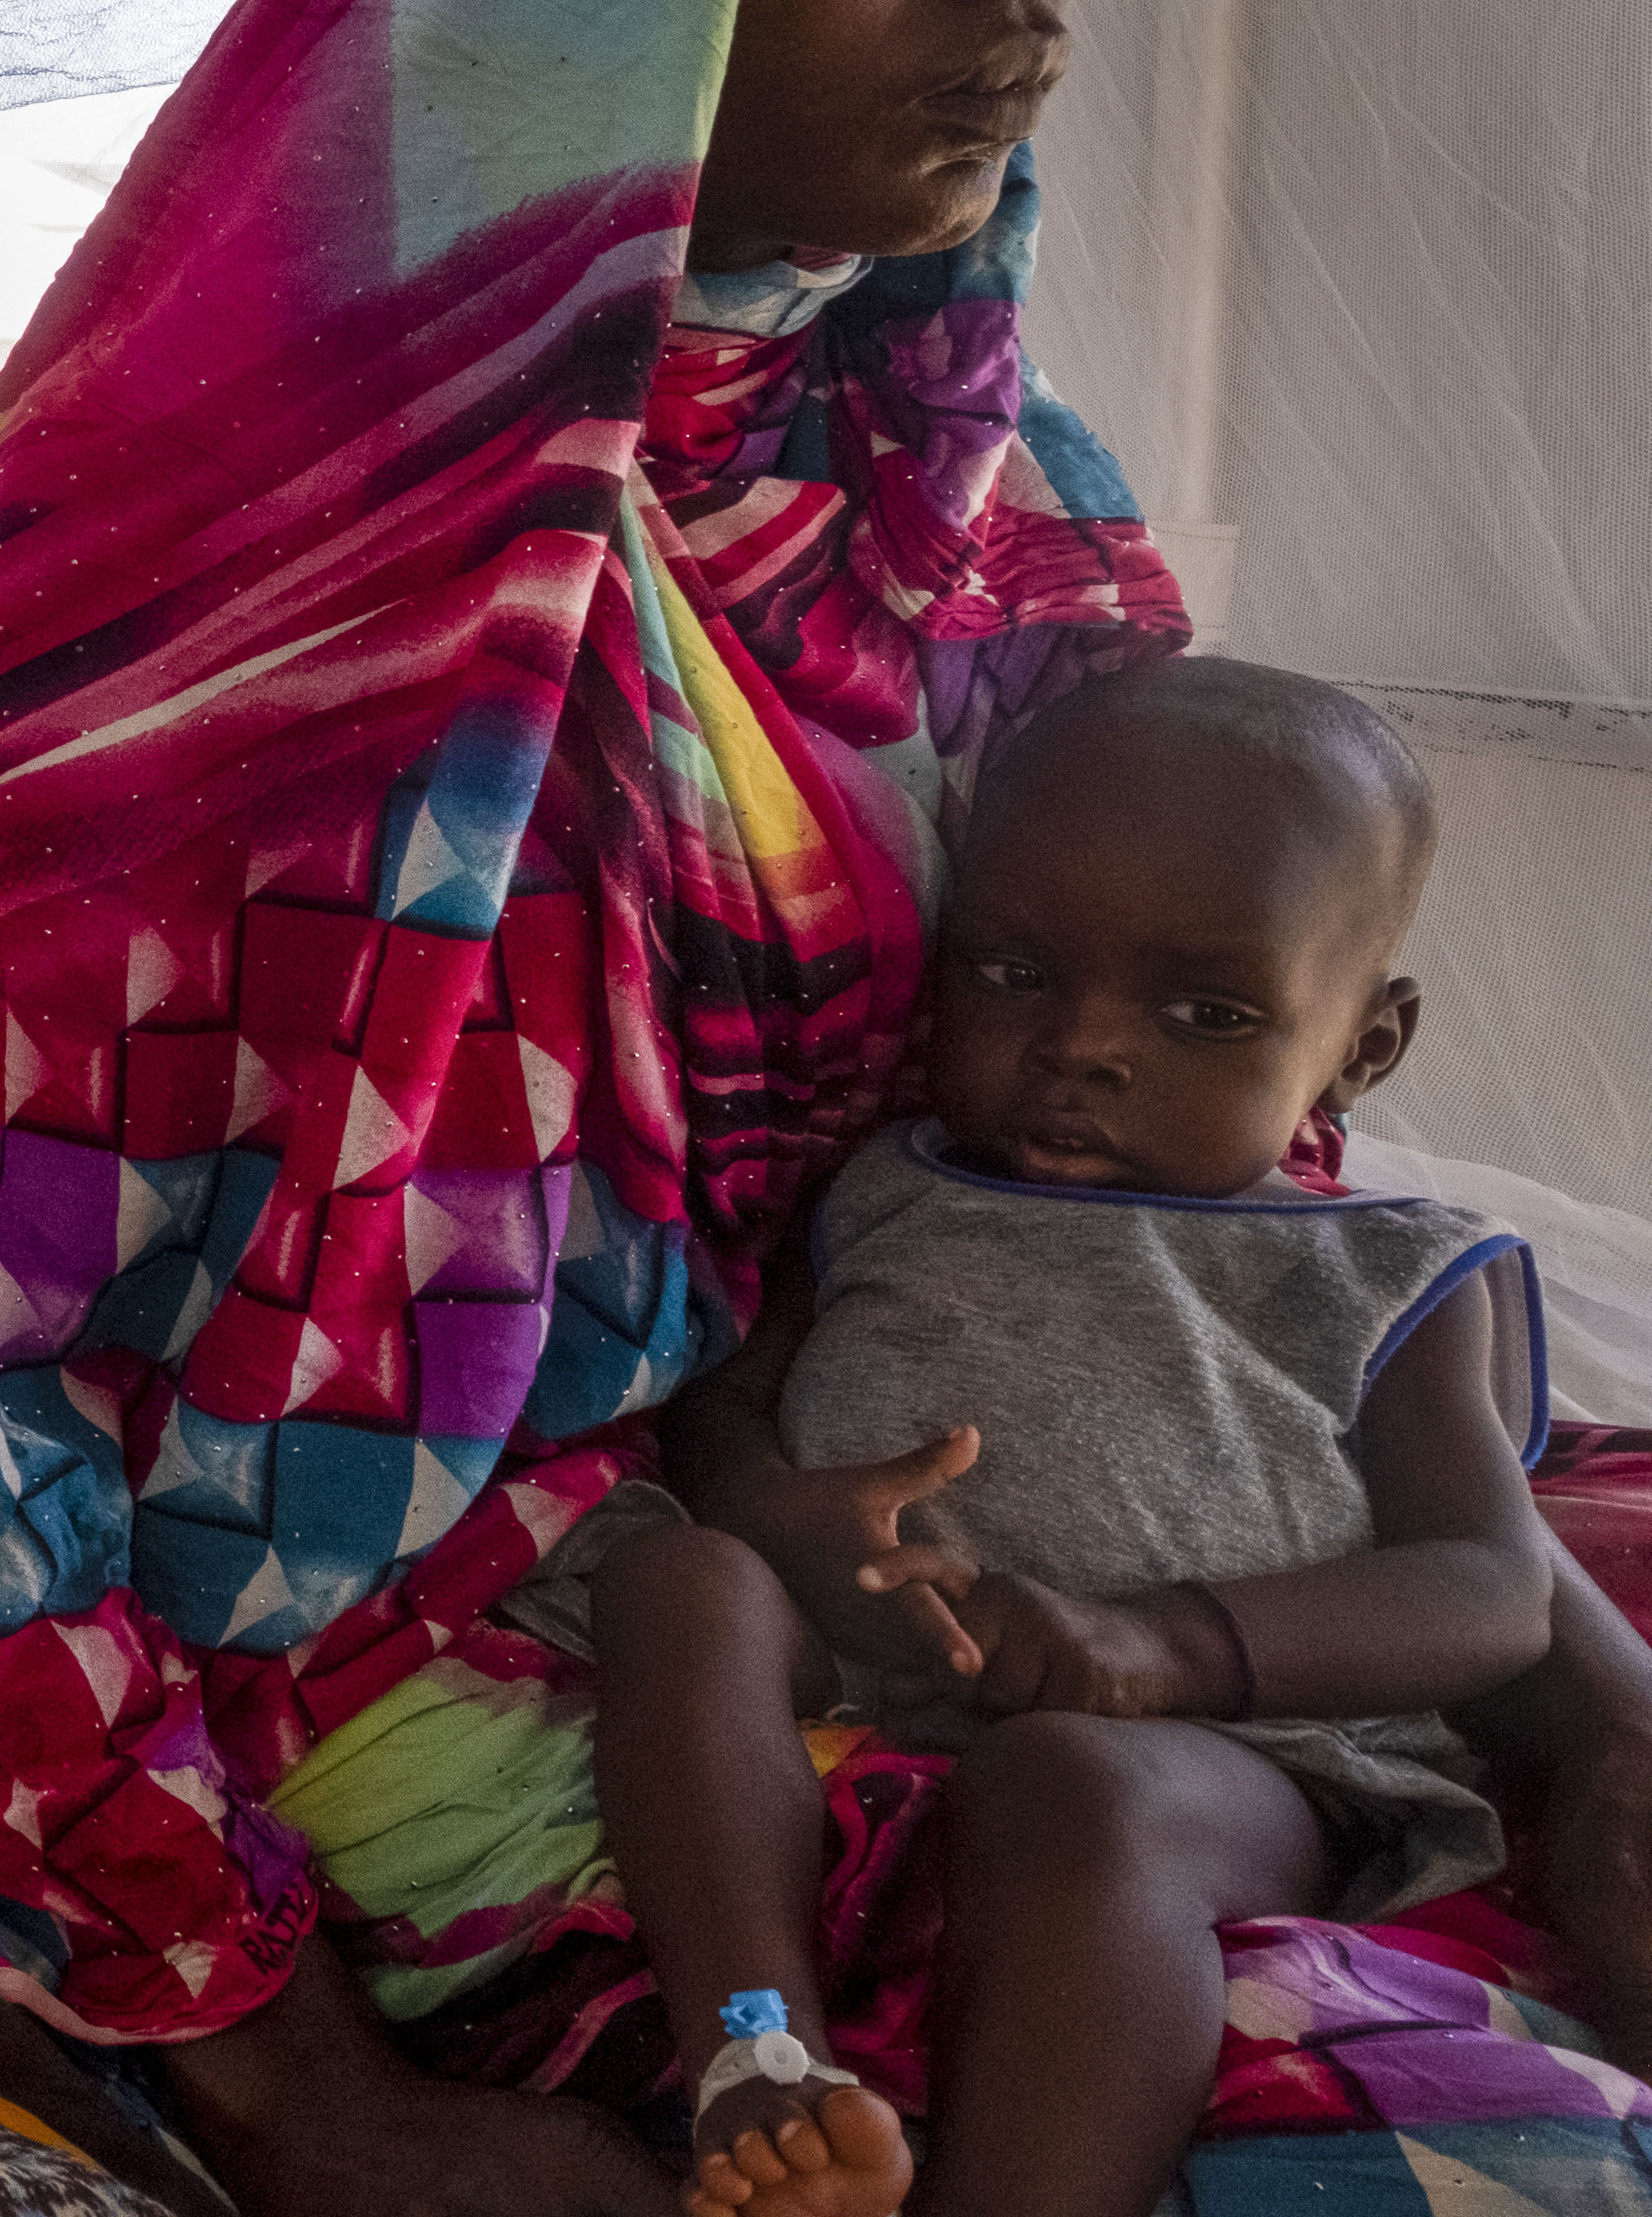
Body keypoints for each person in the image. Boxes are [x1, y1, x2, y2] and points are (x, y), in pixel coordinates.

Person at [0, 0, 1652, 2213]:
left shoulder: (964, 494)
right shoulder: (230, 587)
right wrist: (312, 2095)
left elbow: (1217, 1199)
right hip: (497, 1659)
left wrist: (1584, 1719)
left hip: (1008, 1582)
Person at [565, 660, 1550, 2217]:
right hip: (873, 1671)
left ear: (1361, 1047)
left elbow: (1493, 1588)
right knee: (678, 1588)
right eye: (1016, 971)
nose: (1082, 1044)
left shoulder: (1389, 1269)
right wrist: (780, 1509)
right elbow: (728, 1400)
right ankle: (762, 2058)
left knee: (1078, 1786)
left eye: (1208, 1011)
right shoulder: (886, 1181)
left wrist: (1160, 1646)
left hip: (1223, 1757)